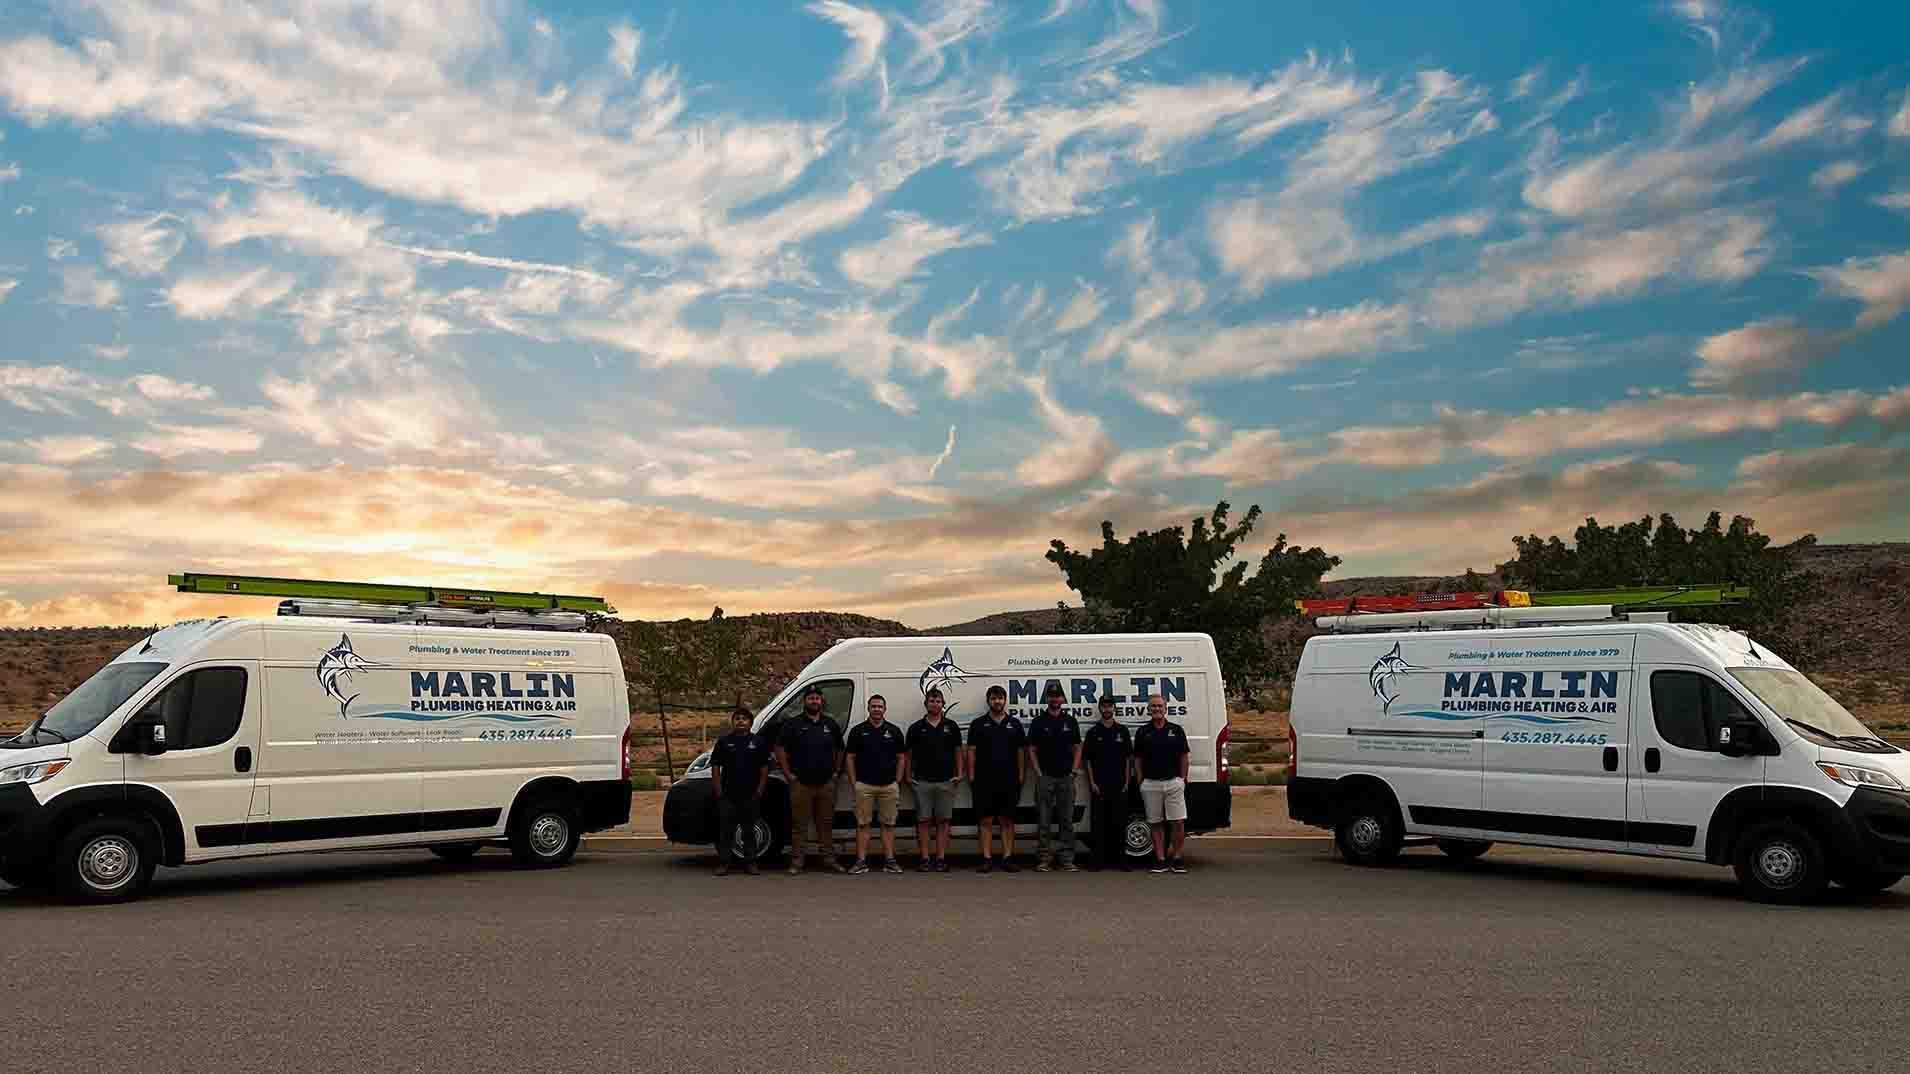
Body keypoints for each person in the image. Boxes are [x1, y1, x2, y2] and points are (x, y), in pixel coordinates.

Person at [775, 684, 845, 874]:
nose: (814, 701)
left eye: (817, 698)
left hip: (826, 784)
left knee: (826, 824)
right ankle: (797, 862)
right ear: (804, 701)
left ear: (822, 702)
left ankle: (829, 860)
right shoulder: (793, 724)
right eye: (810, 698)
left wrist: (836, 772)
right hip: (800, 784)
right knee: (799, 825)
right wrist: (788, 774)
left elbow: (840, 749)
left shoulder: (830, 724)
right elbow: (779, 748)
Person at [965, 684, 1027, 873]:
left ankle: (1008, 857)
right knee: (985, 820)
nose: (997, 701)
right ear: (988, 701)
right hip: (984, 781)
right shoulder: (978, 724)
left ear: (1005, 700)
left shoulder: (1014, 724)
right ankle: (986, 858)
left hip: (1009, 780)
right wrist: (972, 776)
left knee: (1007, 820)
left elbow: (1020, 752)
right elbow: (971, 752)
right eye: (993, 698)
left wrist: (1021, 775)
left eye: (1000, 698)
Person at [845, 695, 907, 874]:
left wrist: (897, 780)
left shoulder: (893, 731)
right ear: (868, 709)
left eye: (880, 706)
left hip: (889, 786)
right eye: (873, 706)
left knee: (888, 825)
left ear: (885, 709)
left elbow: (902, 757)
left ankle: (890, 861)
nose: (877, 709)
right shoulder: (858, 731)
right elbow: (850, 757)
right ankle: (861, 862)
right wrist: (853, 782)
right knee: (863, 824)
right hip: (864, 786)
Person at [904, 687, 963, 872]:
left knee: (943, 821)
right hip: (922, 782)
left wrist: (959, 773)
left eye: (938, 701)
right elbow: (908, 755)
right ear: (926, 704)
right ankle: (924, 859)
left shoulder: (951, 727)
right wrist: (907, 775)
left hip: (946, 781)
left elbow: (958, 752)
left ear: (943, 704)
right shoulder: (915, 728)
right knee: (923, 821)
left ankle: (941, 859)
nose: (935, 704)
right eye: (931, 701)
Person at [1131, 693, 1191, 874]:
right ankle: (1160, 859)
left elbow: (1184, 756)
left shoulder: (1176, 730)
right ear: (1148, 710)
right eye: (1153, 706)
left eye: (1159, 706)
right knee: (1155, 823)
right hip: (1150, 784)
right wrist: (1141, 782)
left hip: (1173, 783)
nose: (1156, 709)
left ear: (1166, 709)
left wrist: (1182, 780)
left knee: (1178, 822)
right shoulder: (1143, 732)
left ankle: (1178, 857)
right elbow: (1138, 759)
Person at [1027, 682, 1083, 872]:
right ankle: (1044, 858)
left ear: (1063, 699)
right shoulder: (1038, 721)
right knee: (1044, 820)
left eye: (1057, 696)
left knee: (1066, 820)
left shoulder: (1070, 721)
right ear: (1047, 699)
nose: (1054, 699)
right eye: (1051, 696)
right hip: (1046, 778)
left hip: (1066, 778)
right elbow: (1032, 749)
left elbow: (1078, 748)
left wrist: (1074, 771)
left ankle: (1067, 858)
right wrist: (1038, 773)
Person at [709, 705, 771, 876]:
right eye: (737, 718)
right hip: (728, 794)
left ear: (750, 723)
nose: (740, 721)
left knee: (749, 831)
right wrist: (718, 791)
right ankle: (724, 863)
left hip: (751, 795)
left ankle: (750, 863)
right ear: (733, 722)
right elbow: (715, 766)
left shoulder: (758, 742)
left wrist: (759, 790)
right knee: (726, 832)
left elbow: (764, 768)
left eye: (744, 718)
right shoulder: (724, 742)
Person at [1082, 694, 1133, 871]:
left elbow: (1128, 759)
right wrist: (1092, 782)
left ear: (1114, 708)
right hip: (1099, 786)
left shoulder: (1122, 731)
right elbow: (1087, 760)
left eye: (1109, 706)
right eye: (1104, 706)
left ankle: (1121, 860)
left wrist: (1127, 781)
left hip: (1119, 784)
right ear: (1100, 708)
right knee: (1099, 825)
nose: (1107, 709)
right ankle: (1098, 861)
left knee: (1119, 824)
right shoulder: (1093, 733)